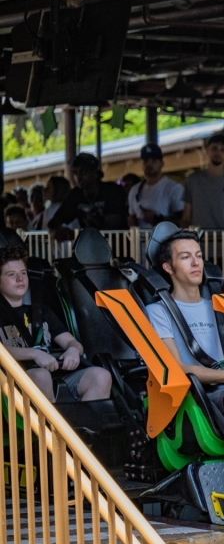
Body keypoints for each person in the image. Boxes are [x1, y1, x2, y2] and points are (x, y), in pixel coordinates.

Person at [146, 231, 224, 439]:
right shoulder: (158, 311)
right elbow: (177, 369)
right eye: (185, 257)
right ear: (168, 267)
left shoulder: (221, 307)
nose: (196, 263)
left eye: (199, 256)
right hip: (195, 396)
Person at [0, 246, 111, 403]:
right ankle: (52, 427)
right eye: (11, 274)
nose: (20, 279)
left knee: (101, 376)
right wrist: (34, 354)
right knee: (42, 376)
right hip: (13, 378)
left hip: (53, 373)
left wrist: (73, 351)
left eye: (23, 273)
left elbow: (72, 342)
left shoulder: (41, 310)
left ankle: (83, 426)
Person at [48, 153, 129, 240]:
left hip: (118, 245)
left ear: (94, 172)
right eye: (75, 173)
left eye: (83, 172)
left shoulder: (111, 190)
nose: (78, 177)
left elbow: (116, 220)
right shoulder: (75, 195)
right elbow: (54, 222)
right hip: (91, 248)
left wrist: (75, 234)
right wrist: (56, 232)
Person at [181, 134, 224, 230]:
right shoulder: (192, 180)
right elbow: (186, 217)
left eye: (223, 150)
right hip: (198, 240)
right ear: (207, 150)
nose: (218, 153)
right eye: (214, 148)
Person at [127, 144, 185, 229]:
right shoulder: (134, 190)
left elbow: (184, 220)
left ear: (161, 163)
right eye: (145, 161)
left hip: (166, 241)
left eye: (153, 161)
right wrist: (132, 221)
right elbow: (132, 216)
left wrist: (158, 219)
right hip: (141, 241)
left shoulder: (174, 188)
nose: (149, 165)